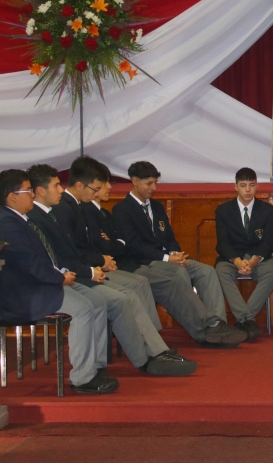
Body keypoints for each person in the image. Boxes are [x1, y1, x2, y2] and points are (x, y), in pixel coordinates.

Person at [27, 163, 196, 377]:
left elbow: (78, 248)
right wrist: (93, 268)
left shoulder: (63, 209)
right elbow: (66, 254)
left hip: (81, 270)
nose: (60, 189)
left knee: (129, 293)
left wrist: (98, 263)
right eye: (56, 185)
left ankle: (154, 351)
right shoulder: (54, 212)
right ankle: (146, 357)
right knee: (122, 297)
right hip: (68, 276)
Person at [0, 169, 117, 394]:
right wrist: (59, 277)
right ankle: (83, 379)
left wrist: (60, 273)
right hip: (25, 294)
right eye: (28, 191)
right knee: (83, 309)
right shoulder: (7, 223)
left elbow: (41, 259)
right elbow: (30, 264)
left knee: (97, 300)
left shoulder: (19, 218)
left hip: (40, 284)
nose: (32, 195)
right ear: (12, 196)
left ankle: (96, 366)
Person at [113, 161, 246, 346]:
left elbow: (169, 237)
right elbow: (133, 246)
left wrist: (176, 253)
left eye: (155, 183)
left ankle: (217, 324)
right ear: (134, 181)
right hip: (147, 262)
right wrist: (168, 258)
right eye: (149, 183)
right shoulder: (122, 210)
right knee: (178, 272)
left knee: (207, 271)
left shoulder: (157, 207)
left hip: (169, 258)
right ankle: (200, 330)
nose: (154, 188)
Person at [50, 157, 160, 326]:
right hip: (82, 271)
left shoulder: (78, 206)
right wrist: (101, 262)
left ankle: (153, 343)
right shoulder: (66, 209)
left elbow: (95, 243)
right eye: (96, 188)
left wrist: (104, 259)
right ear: (80, 185)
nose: (97, 192)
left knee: (138, 284)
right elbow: (78, 249)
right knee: (125, 294)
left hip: (94, 265)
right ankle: (149, 346)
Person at [79, 162, 162, 328]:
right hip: (97, 267)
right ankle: (149, 340)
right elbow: (105, 245)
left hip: (111, 263)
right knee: (136, 284)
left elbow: (117, 242)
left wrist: (115, 242)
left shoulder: (104, 213)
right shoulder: (86, 211)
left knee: (141, 281)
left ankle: (154, 336)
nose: (110, 187)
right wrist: (114, 243)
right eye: (105, 184)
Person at [214, 167, 273, 342]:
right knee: (220, 272)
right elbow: (222, 242)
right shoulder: (223, 210)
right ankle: (248, 320)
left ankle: (243, 320)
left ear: (257, 186)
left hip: (257, 257)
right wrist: (236, 261)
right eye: (243, 185)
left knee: (272, 274)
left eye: (252, 185)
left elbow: (269, 242)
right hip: (232, 257)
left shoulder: (267, 210)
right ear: (236, 187)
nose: (248, 190)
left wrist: (253, 261)